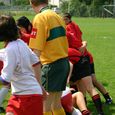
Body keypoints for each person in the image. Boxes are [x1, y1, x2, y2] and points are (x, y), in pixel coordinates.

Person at [29, 0, 70, 115]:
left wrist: (30, 70)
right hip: (64, 63)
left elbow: (36, 51)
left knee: (44, 108)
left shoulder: (40, 18)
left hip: (51, 65)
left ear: (31, 3)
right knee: (56, 105)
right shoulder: (57, 16)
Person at [0, 15, 46, 115]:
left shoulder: (10, 50)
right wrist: (39, 85)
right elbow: (36, 63)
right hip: (23, 95)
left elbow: (5, 79)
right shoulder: (21, 43)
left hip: (27, 98)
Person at [63, 12, 112, 105]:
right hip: (80, 55)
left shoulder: (68, 28)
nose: (63, 21)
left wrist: (83, 45)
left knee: (90, 81)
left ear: (68, 19)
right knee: (79, 81)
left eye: (64, 19)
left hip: (82, 57)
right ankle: (80, 103)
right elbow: (80, 38)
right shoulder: (74, 25)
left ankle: (106, 97)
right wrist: (83, 44)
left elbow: (76, 40)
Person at [0, 16, 33, 113]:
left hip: (24, 91)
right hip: (25, 90)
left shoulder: (15, 43)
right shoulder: (22, 41)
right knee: (8, 83)